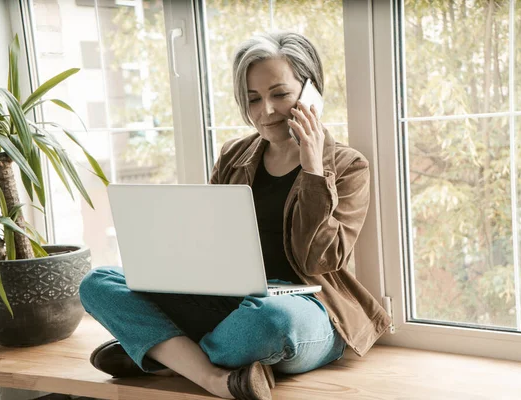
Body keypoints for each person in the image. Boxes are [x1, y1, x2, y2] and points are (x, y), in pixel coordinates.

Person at [79, 31, 391, 400]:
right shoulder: (234, 155)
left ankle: (165, 356)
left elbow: (319, 259)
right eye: (253, 99)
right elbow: (210, 243)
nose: (266, 111)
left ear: (311, 92)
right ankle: (215, 376)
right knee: (98, 282)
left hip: (308, 308)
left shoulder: (348, 165)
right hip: (229, 303)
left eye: (280, 94)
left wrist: (312, 169)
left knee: (271, 320)